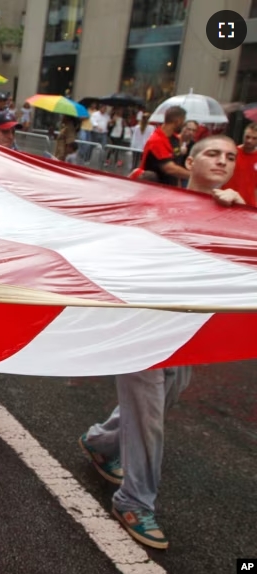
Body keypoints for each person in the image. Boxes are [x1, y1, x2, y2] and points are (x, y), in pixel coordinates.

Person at [79, 134, 245, 551]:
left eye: (230, 156)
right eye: (212, 153)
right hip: (140, 326)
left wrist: (239, 221)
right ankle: (134, 501)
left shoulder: (235, 214)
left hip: (184, 331)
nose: (222, 161)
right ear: (190, 162)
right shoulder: (157, 204)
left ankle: (101, 442)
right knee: (149, 415)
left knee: (166, 396)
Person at [132, 105, 189, 186]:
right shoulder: (156, 140)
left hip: (170, 188)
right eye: (183, 121)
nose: (184, 124)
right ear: (177, 121)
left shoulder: (176, 139)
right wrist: (193, 175)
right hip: (152, 188)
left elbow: (176, 165)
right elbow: (170, 169)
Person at [224, 122, 257, 206]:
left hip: (248, 203)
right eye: (247, 137)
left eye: (254, 138)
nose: (249, 141)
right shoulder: (231, 152)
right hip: (227, 199)